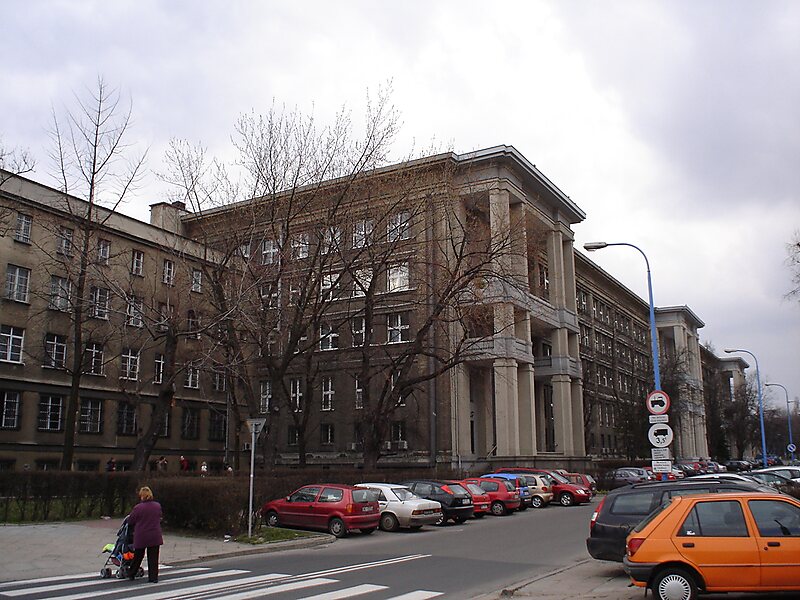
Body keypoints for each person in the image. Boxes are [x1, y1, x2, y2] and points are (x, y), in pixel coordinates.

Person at [127, 486, 163, 583]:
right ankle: (153, 577)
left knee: (138, 556)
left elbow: (131, 520)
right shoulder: (157, 506)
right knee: (153, 558)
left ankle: (132, 573)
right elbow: (160, 516)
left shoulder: (138, 508)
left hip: (142, 535)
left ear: (142, 496)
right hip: (155, 534)